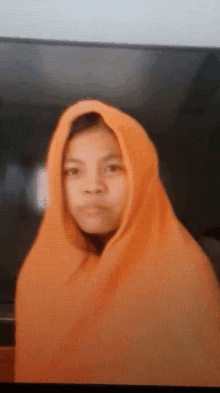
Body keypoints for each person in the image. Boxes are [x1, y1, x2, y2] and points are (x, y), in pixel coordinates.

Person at [15, 99, 220, 385]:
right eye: (73, 171)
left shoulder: (184, 276)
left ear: (142, 177)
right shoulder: (38, 278)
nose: (92, 186)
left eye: (112, 168)